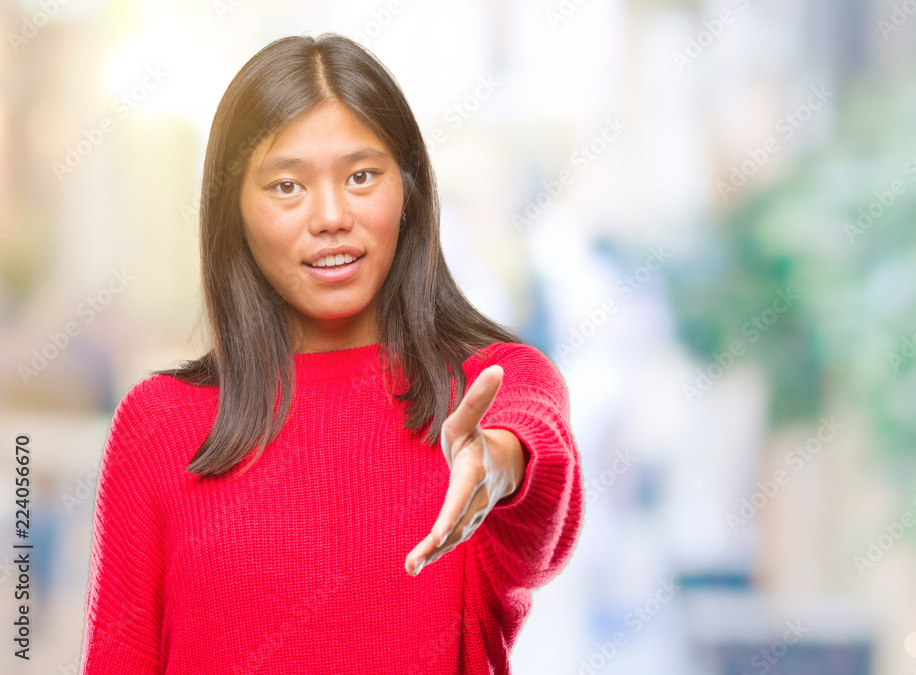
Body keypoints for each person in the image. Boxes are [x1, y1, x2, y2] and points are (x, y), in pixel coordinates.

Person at [79, 32, 583, 674]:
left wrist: (501, 464)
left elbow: (536, 455)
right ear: (233, 209)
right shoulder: (158, 423)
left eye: (362, 176)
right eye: (287, 186)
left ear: (409, 190)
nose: (330, 216)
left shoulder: (488, 388)